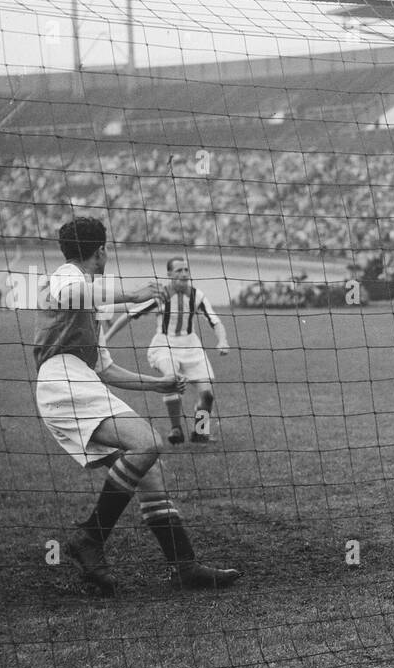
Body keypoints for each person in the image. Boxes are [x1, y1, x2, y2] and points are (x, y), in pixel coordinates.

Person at [33, 218, 241, 594]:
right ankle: (90, 538)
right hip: (62, 382)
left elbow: (106, 369)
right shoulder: (64, 277)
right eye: (105, 249)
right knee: (147, 443)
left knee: (149, 471)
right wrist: (130, 294)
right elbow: (66, 294)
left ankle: (184, 566)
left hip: (77, 380)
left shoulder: (89, 299)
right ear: (100, 251)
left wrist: (157, 383)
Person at [100, 255, 230, 445]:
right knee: (171, 378)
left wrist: (223, 340)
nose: (184, 274)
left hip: (192, 346)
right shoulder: (161, 295)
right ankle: (176, 428)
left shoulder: (197, 295)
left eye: (186, 270)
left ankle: (200, 432)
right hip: (164, 345)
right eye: (179, 270)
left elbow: (215, 321)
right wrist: (105, 339)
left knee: (207, 395)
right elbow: (128, 315)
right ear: (169, 274)